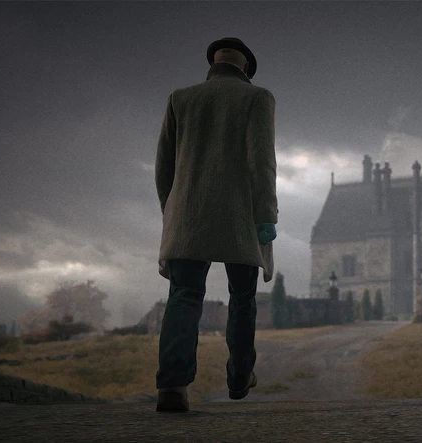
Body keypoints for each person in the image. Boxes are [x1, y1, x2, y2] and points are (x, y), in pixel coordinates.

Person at [154, 37, 278, 413]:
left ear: (213, 64)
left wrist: (172, 211)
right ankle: (239, 376)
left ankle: (173, 386)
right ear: (245, 68)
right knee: (242, 298)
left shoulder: (180, 98)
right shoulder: (257, 98)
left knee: (184, 295)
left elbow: (163, 166)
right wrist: (267, 216)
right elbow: (262, 162)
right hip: (240, 215)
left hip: (187, 213)